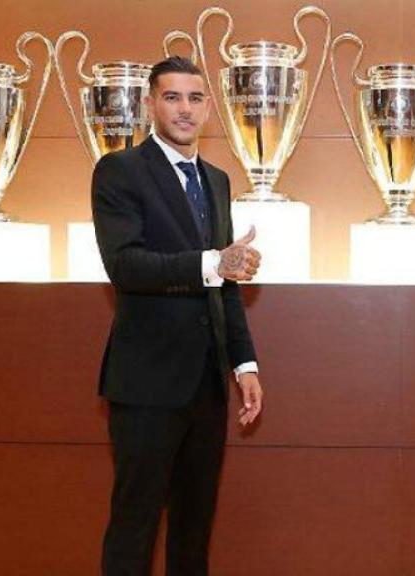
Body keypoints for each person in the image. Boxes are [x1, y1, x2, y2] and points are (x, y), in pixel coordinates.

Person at [91, 55, 263, 575]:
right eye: (172, 97)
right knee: (135, 526)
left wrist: (244, 364)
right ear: (150, 105)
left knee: (194, 529)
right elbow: (126, 266)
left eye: (194, 98)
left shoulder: (217, 180)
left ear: (207, 107)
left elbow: (224, 282)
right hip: (146, 383)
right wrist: (213, 262)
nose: (184, 109)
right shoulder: (119, 171)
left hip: (207, 385)